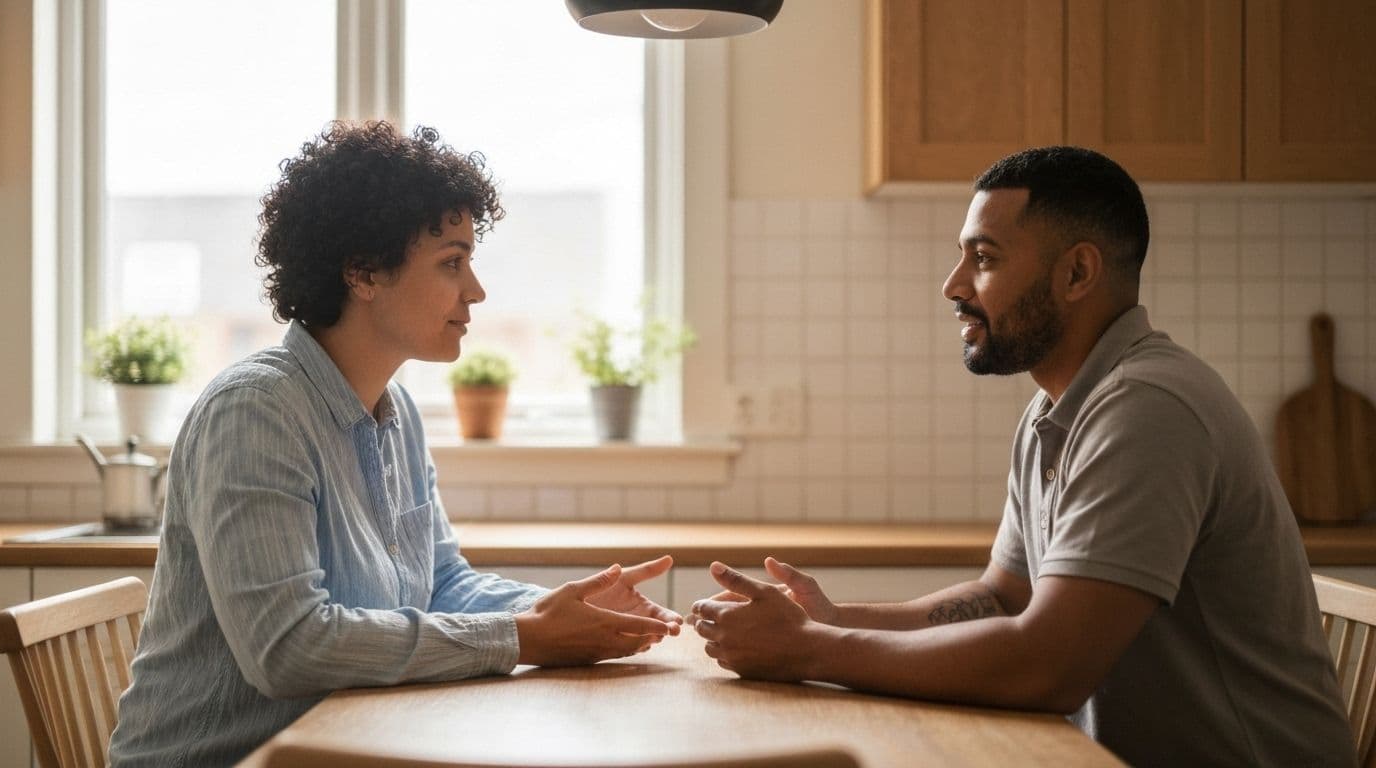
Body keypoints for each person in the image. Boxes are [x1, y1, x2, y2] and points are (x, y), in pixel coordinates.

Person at [688, 146, 1354, 766]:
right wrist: (832, 619)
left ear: (1077, 273)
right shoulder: (1056, 408)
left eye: (983, 258)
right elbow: (1006, 599)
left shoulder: (1148, 409)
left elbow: (1047, 665)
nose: (953, 285)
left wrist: (811, 649)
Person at [109, 121, 681, 767]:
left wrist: (560, 611)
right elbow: (288, 649)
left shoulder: (396, 410)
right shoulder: (255, 412)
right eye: (452, 262)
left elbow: (440, 582)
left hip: (343, 747)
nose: (476, 290)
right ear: (363, 273)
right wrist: (525, 636)